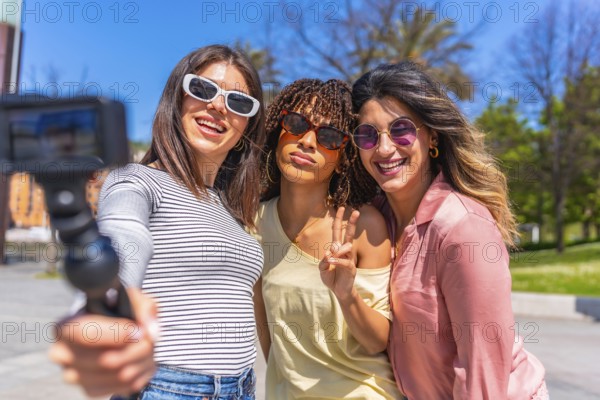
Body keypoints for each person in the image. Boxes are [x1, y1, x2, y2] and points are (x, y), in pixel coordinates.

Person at [49, 44, 267, 399]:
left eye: (238, 102)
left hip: (242, 386)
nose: (217, 105)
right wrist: (99, 312)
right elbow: (122, 240)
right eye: (203, 88)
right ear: (177, 97)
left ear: (247, 124)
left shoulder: (229, 205)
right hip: (167, 388)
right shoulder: (136, 180)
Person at [351, 61, 548, 399]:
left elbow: (483, 371)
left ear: (432, 136)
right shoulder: (375, 220)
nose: (384, 149)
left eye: (401, 130)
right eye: (368, 135)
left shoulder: (463, 228)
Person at [252, 78, 404, 399]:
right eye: (296, 124)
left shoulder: (362, 225)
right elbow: (268, 333)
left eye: (329, 136)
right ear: (277, 132)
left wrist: (347, 295)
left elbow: (378, 341)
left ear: (344, 156)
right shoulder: (254, 222)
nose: (307, 141)